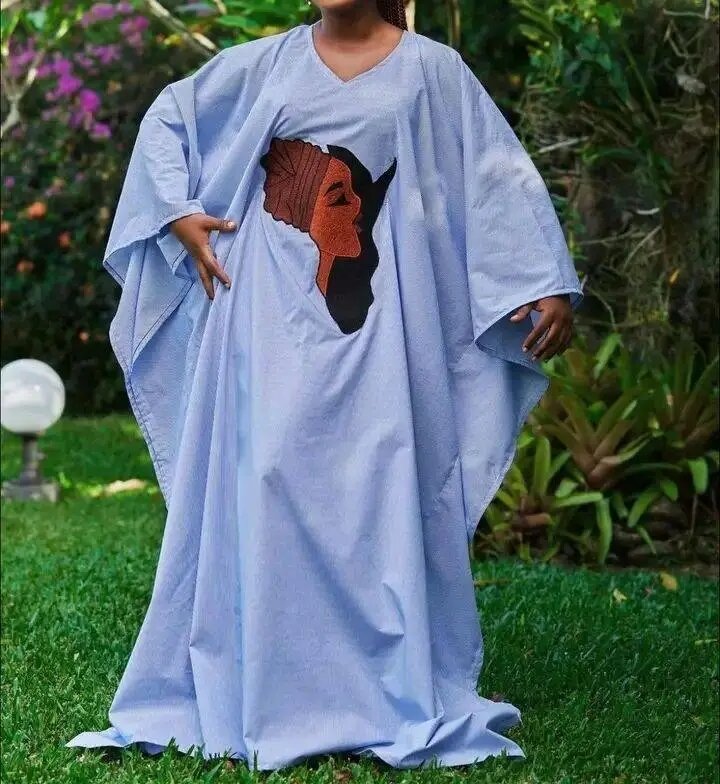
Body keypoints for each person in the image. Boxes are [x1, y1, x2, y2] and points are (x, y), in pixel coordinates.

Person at [66, 0, 583, 771]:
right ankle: (268, 686)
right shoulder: (266, 65)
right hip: (263, 322)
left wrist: (539, 281)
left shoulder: (431, 71)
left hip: (386, 334)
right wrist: (177, 214)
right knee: (268, 476)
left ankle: (380, 689)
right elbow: (171, 118)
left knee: (379, 486)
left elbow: (490, 178)